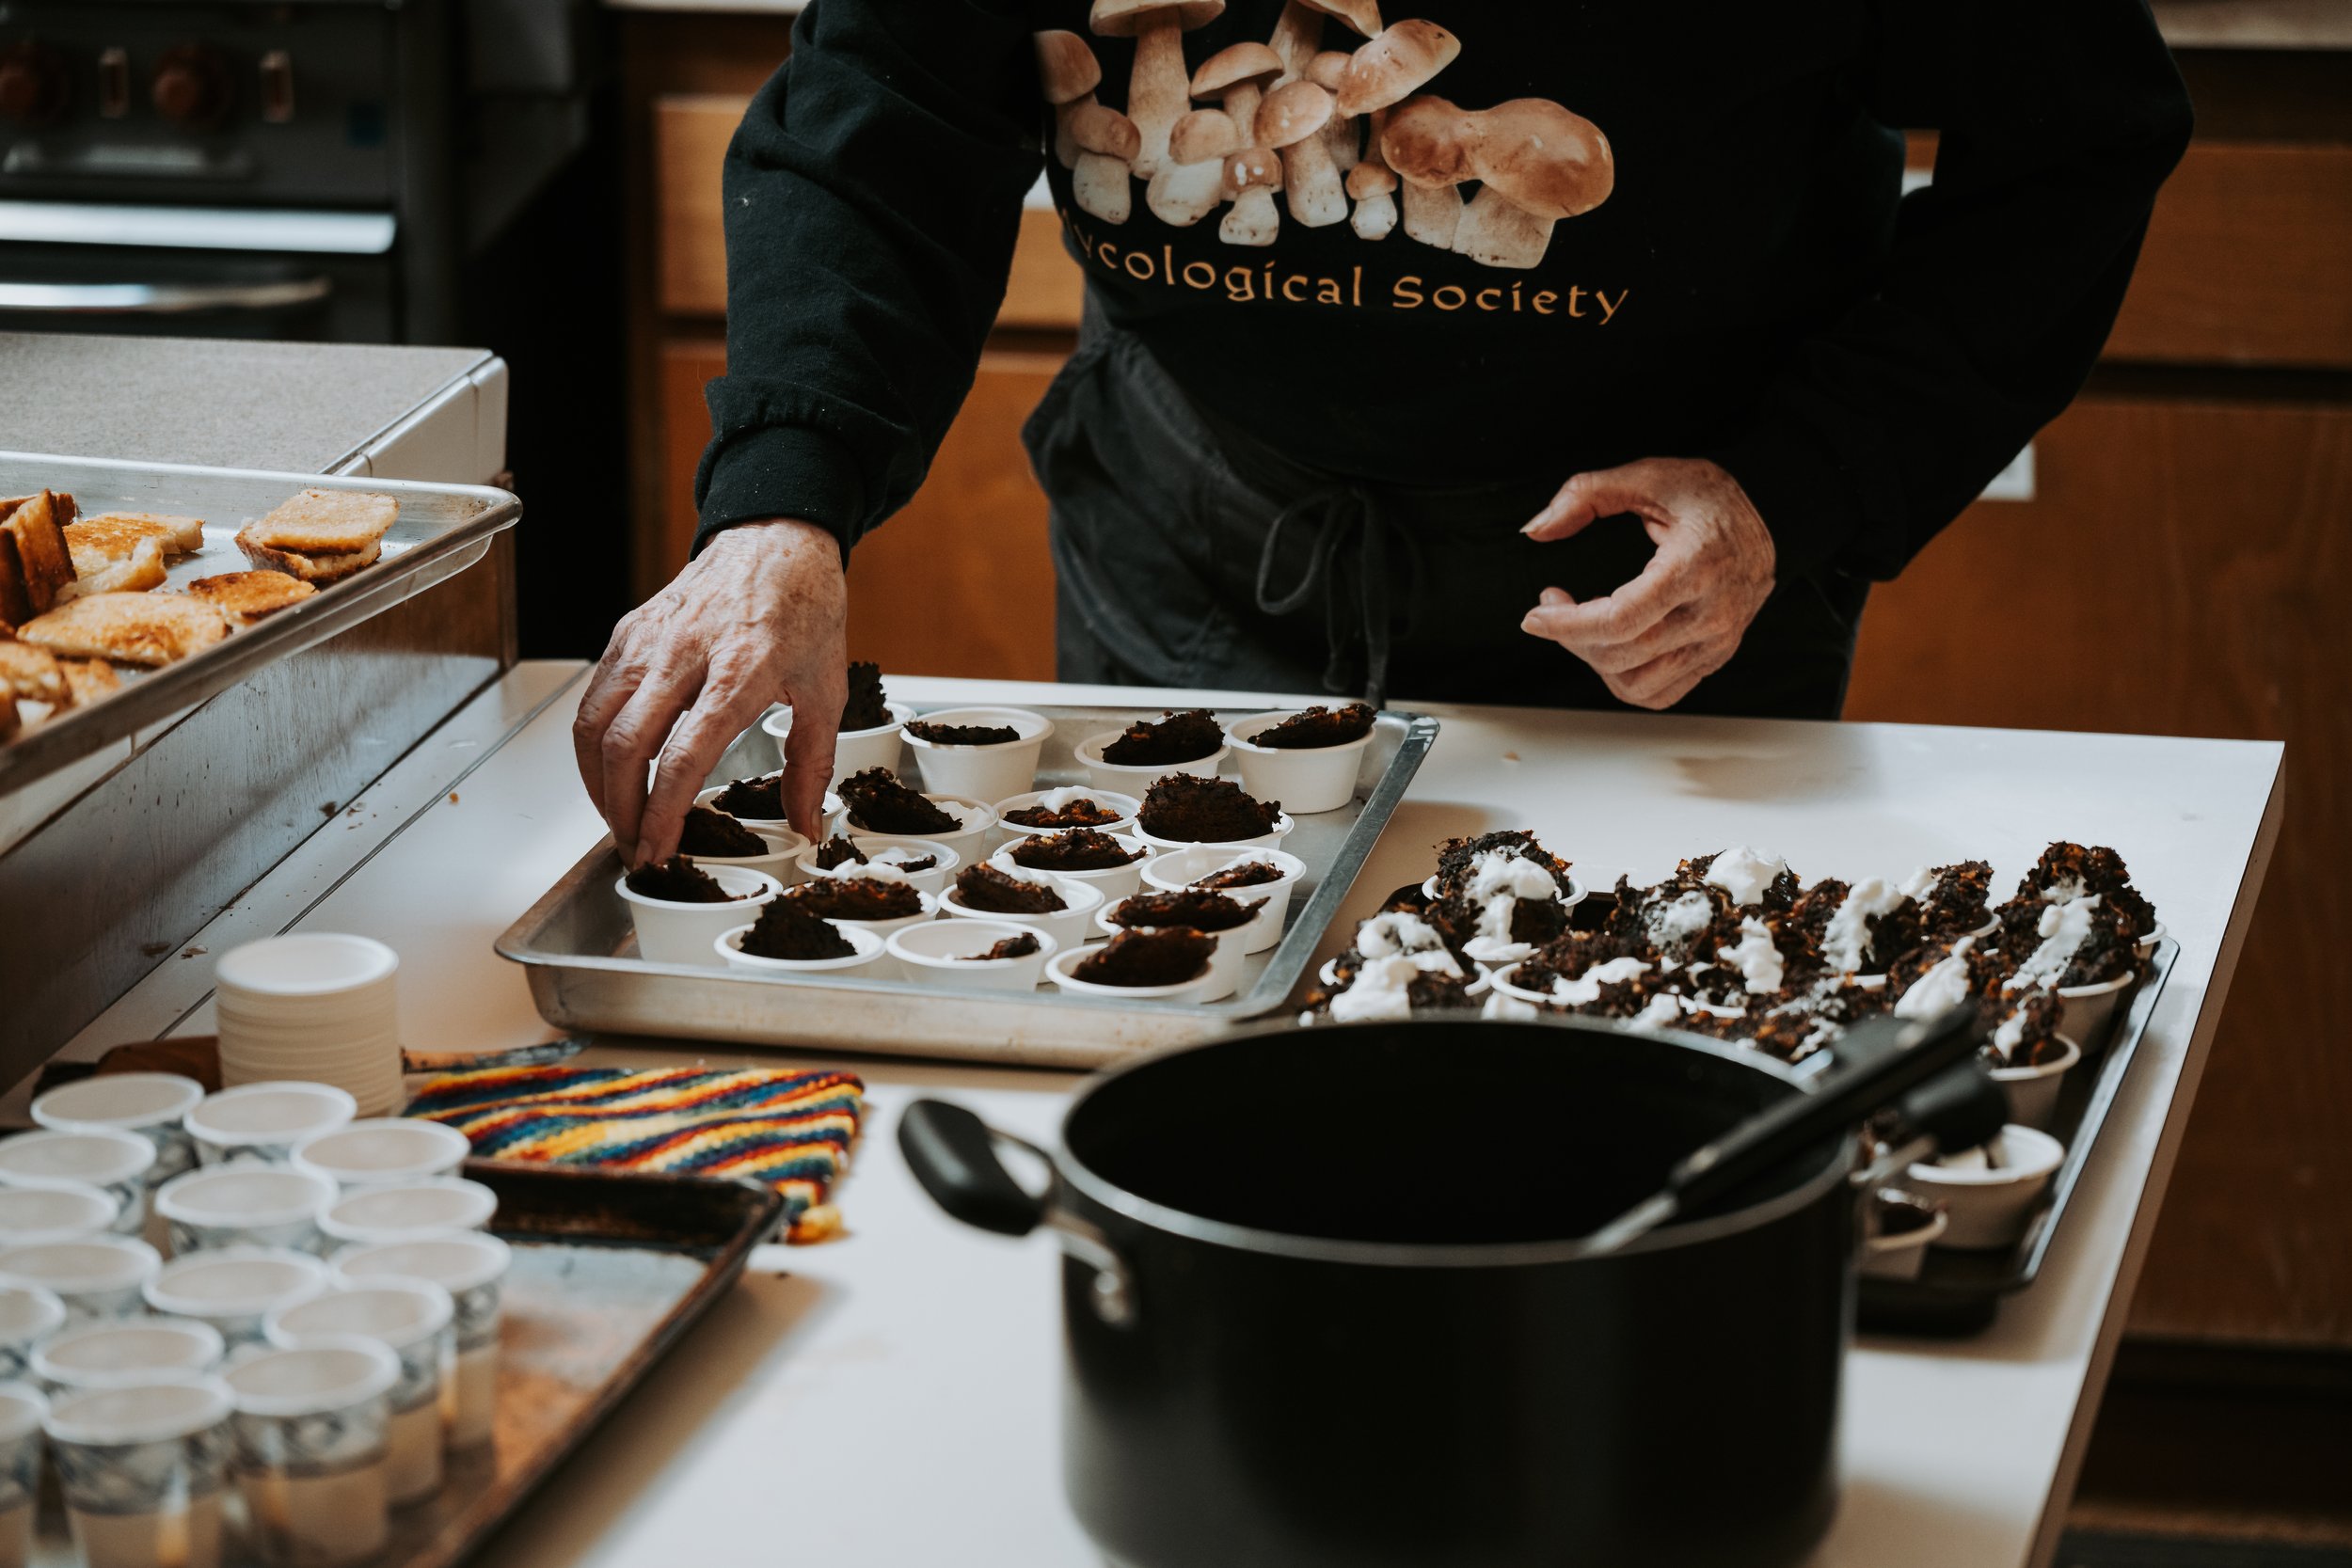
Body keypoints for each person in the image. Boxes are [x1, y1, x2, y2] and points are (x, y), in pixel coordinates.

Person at [575, 0, 2191, 865]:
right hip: (1189, 523)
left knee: (1605, 1124)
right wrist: (780, 506)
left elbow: (2075, 142)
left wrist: (1808, 484)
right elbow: (881, 115)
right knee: (1172, 1093)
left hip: (1659, 582)